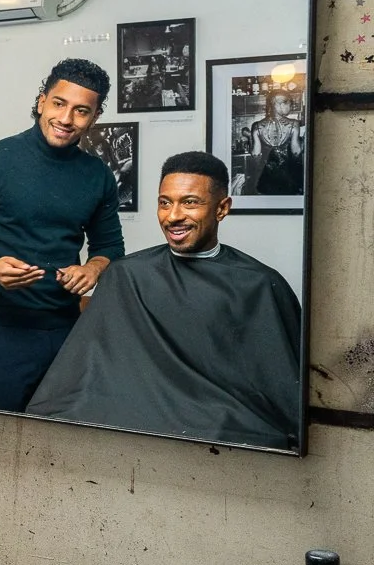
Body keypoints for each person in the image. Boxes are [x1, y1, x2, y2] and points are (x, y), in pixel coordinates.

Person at [27, 152, 300, 449]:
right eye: (165, 202)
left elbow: (280, 391)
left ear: (222, 208)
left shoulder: (259, 284)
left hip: (213, 429)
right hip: (131, 419)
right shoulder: (127, 274)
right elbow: (86, 370)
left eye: (190, 202)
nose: (173, 216)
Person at [0, 58, 125, 412]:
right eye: (59, 104)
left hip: (67, 332)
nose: (65, 119)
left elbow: (109, 246)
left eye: (81, 111)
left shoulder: (98, 176)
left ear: (94, 118)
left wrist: (92, 269)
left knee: (59, 443)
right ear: (41, 102)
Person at [248, 89, 305, 196]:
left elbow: (255, 154)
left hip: (266, 177)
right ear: (279, 104)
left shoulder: (256, 126)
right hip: (289, 177)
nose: (291, 107)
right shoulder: (294, 124)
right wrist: (303, 141)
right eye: (289, 103)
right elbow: (296, 152)